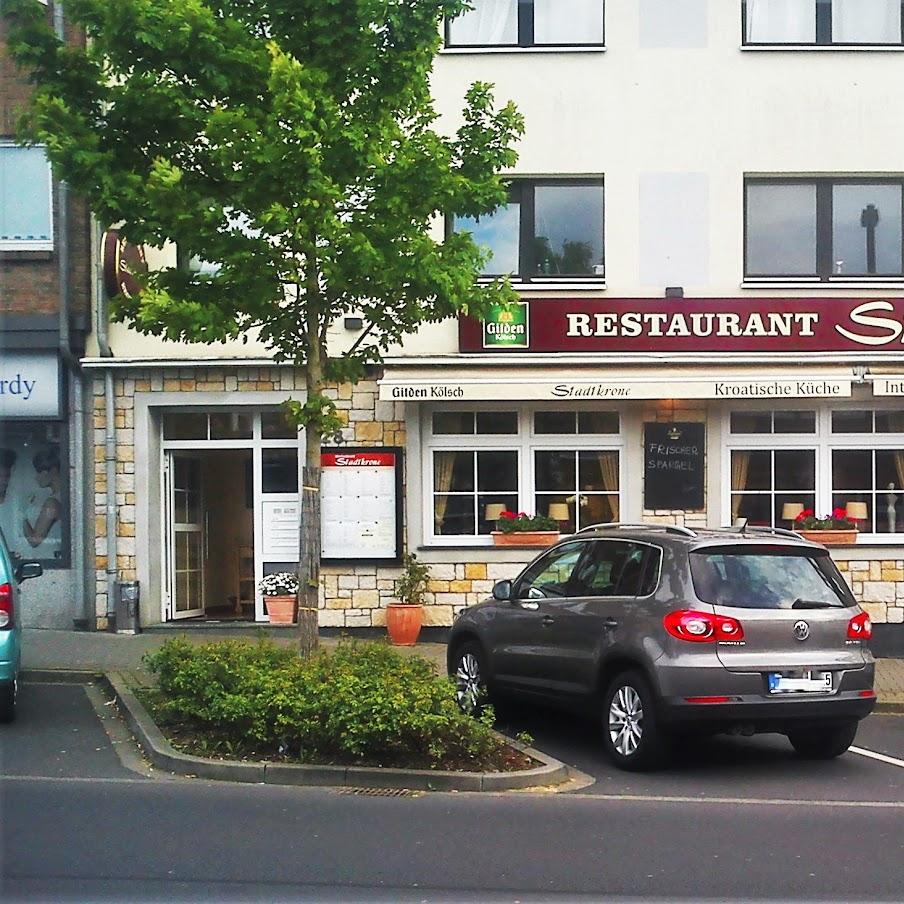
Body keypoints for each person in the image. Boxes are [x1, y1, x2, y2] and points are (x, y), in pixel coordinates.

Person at [23, 446, 63, 552]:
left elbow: (34, 541)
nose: (37, 477)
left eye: (40, 471)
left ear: (53, 471)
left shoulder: (52, 503)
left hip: (50, 558)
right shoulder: (63, 497)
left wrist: (21, 516)